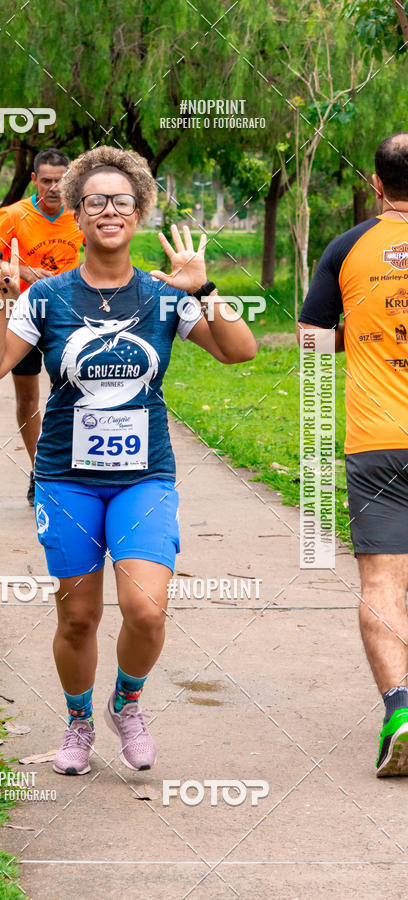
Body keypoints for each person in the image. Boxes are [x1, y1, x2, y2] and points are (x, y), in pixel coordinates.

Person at [0, 147, 257, 776]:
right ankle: (77, 722)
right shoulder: (46, 297)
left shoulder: (164, 294)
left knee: (146, 611)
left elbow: (240, 352)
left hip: (143, 477)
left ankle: (127, 702)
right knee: (78, 617)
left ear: (139, 212)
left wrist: (205, 289)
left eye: (121, 201)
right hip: (66, 479)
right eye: (94, 201)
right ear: (76, 212)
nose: (108, 211)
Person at [298, 132, 408, 777]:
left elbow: (310, 341)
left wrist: (361, 332)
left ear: (376, 183)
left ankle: (400, 710)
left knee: (383, 582)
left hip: (379, 441)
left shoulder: (347, 247)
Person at [0, 148, 84, 506]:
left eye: (61, 180)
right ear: (34, 179)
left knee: (76, 393)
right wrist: (22, 271)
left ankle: (77, 468)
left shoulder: (80, 214)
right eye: (46, 180)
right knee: (27, 398)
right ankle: (40, 470)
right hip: (24, 317)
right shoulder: (13, 215)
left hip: (69, 318)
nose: (54, 188)